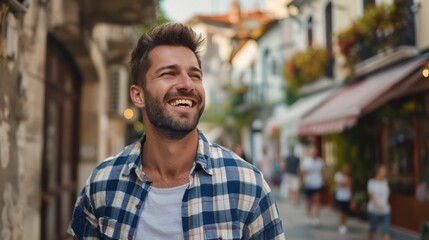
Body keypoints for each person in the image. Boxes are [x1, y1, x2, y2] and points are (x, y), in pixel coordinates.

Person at [67, 23, 285, 240]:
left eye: (195, 75)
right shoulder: (103, 183)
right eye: (169, 73)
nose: (187, 84)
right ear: (138, 96)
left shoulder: (247, 185)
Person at [300, 146, 324, 227]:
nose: (314, 153)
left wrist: (323, 181)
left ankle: (316, 218)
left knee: (317, 201)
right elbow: (302, 172)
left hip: (317, 184)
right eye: (313, 152)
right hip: (309, 183)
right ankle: (308, 215)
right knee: (309, 201)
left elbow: (322, 172)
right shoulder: (307, 161)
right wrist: (304, 179)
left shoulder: (320, 161)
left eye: (315, 152)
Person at [367, 164, 391, 240]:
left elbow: (386, 195)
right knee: (373, 230)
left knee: (386, 231)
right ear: (378, 172)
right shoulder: (371, 182)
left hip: (385, 211)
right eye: (382, 171)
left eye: (385, 171)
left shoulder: (385, 182)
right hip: (374, 211)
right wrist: (377, 205)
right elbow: (371, 196)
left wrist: (386, 205)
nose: (384, 173)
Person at [334, 163, 352, 234]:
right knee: (342, 212)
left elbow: (349, 186)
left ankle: (345, 225)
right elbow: (339, 184)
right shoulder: (338, 175)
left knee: (346, 212)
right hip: (340, 197)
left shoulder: (349, 176)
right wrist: (344, 184)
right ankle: (341, 225)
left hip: (347, 196)